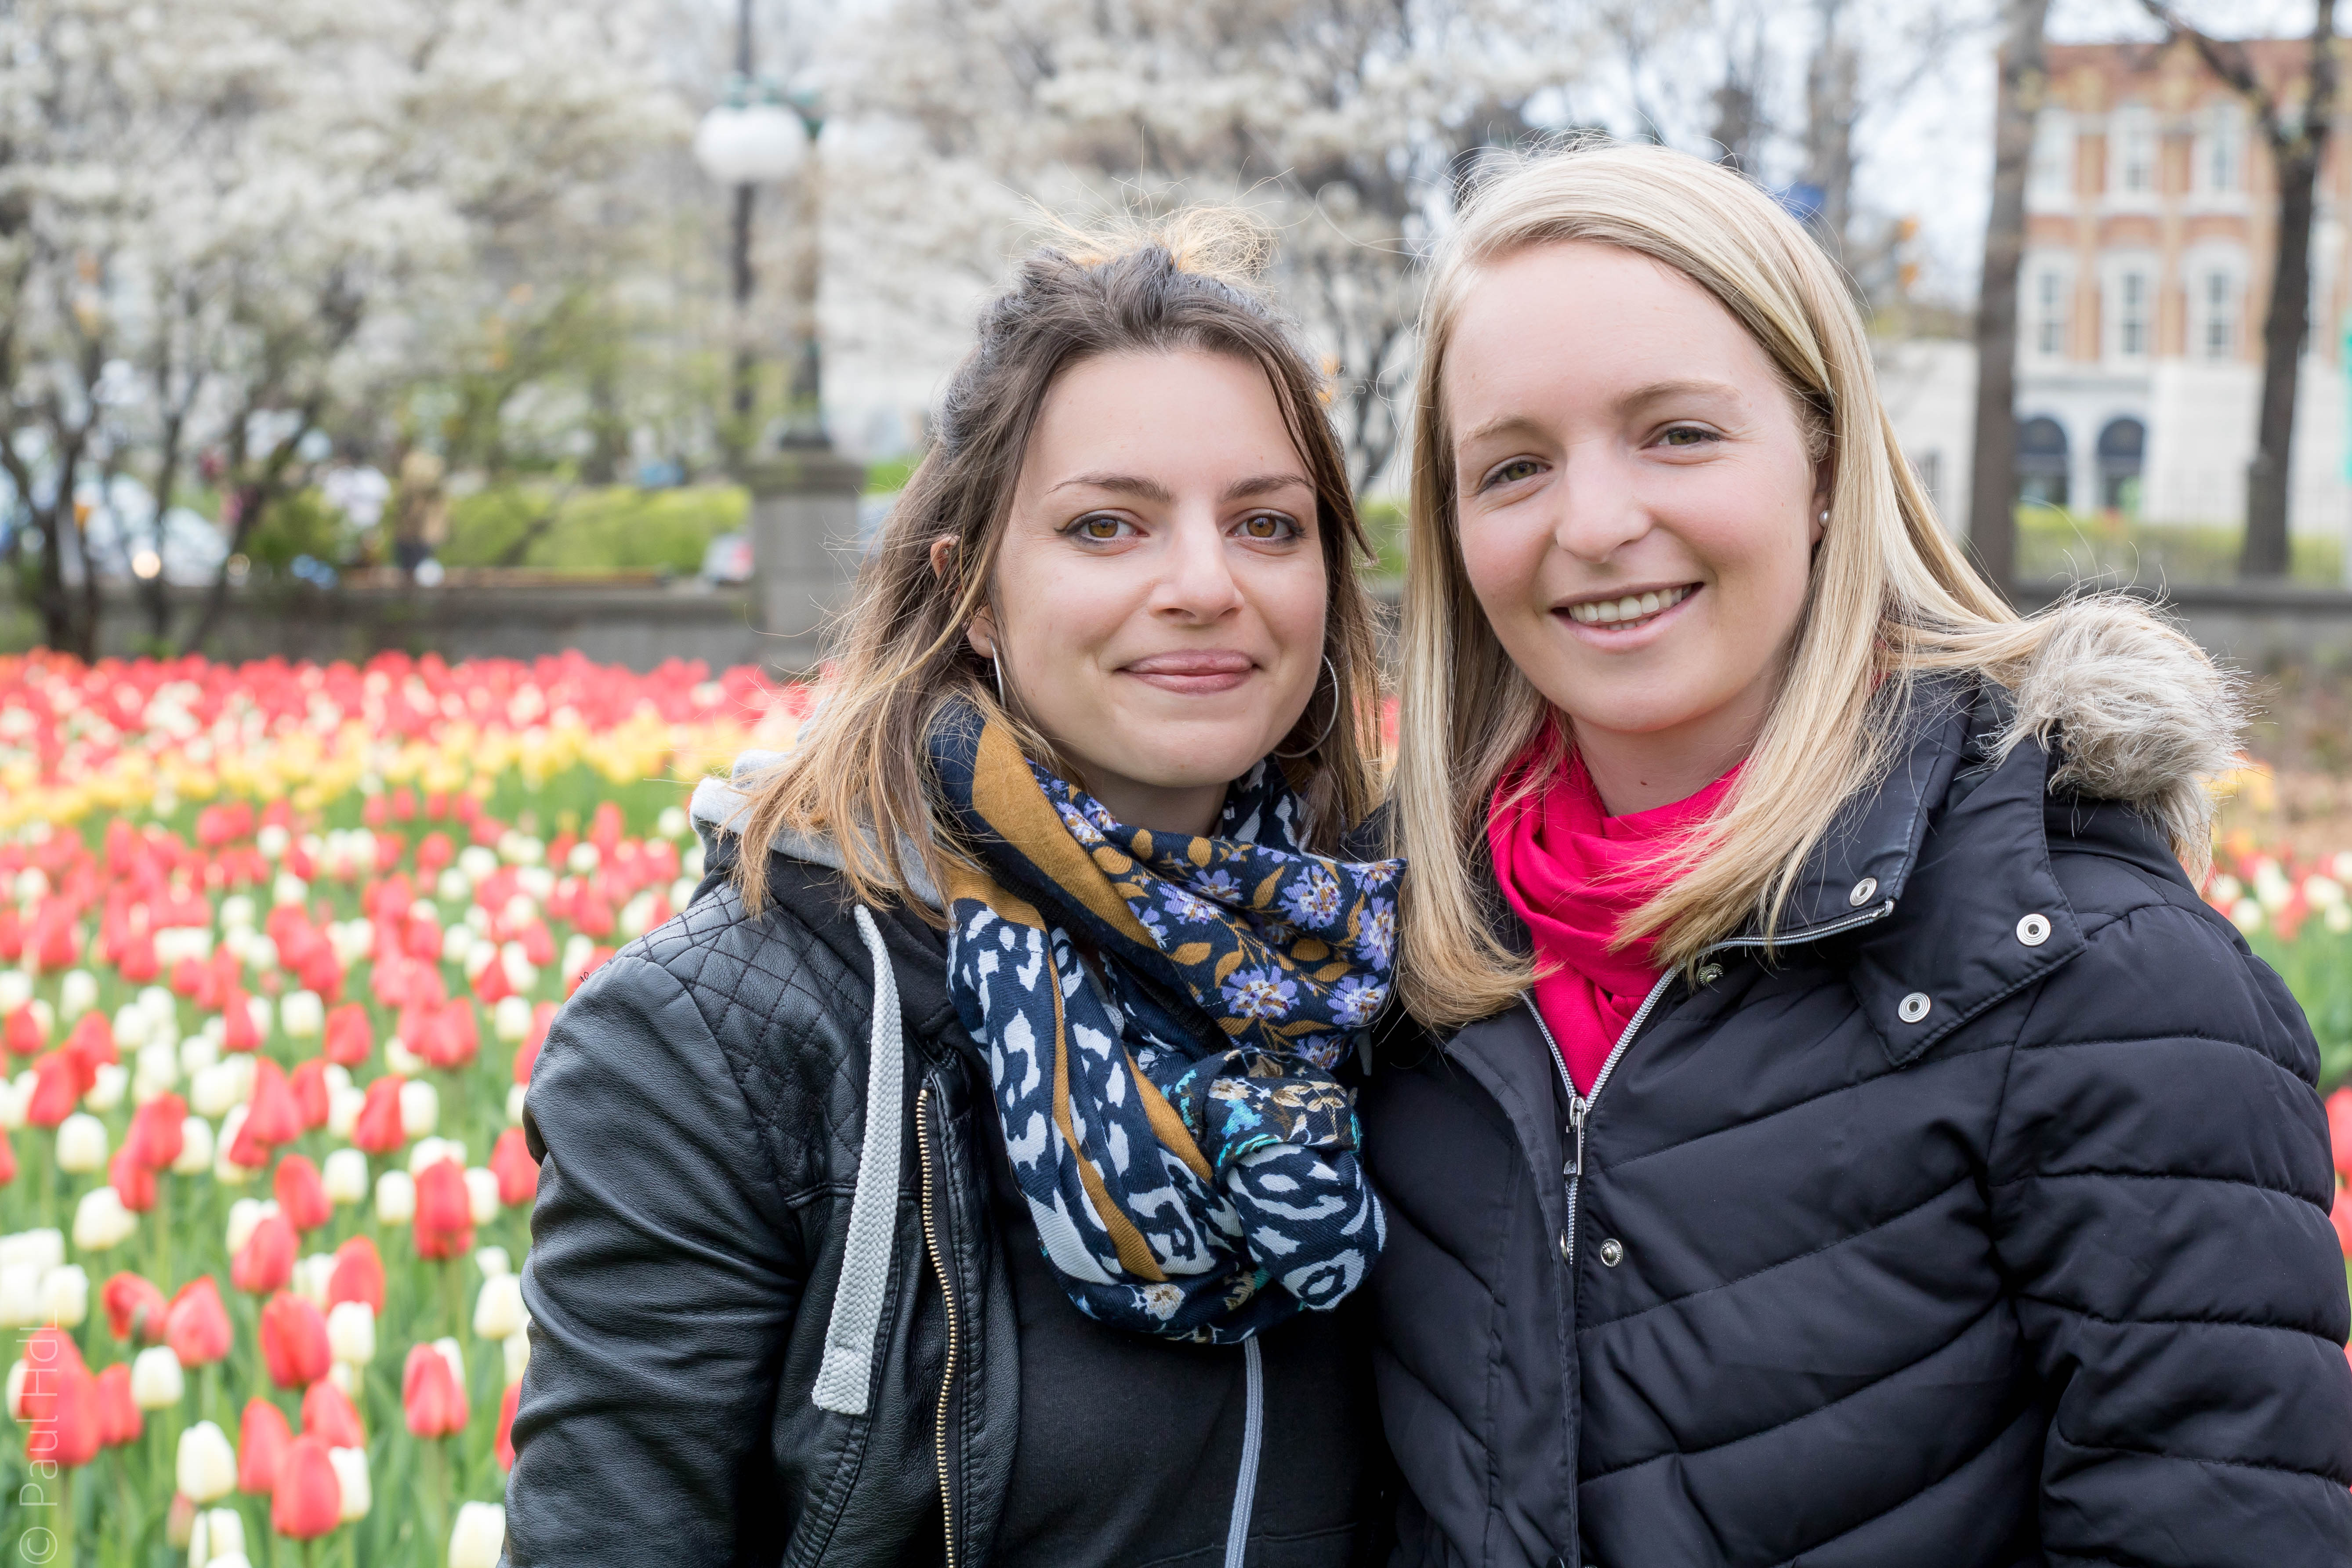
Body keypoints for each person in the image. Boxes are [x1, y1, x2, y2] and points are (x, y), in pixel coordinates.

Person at [1362, 141, 2352, 1568]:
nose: (1593, 523)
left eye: (1675, 434)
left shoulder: (2088, 978)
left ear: (1825, 466)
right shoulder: (1390, 958)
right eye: (1512, 466)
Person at [504, 211, 1401, 1567]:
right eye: (1106, 525)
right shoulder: (721, 1039)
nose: (1205, 583)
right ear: (971, 593)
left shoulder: (1382, 973)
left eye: (1266, 524)